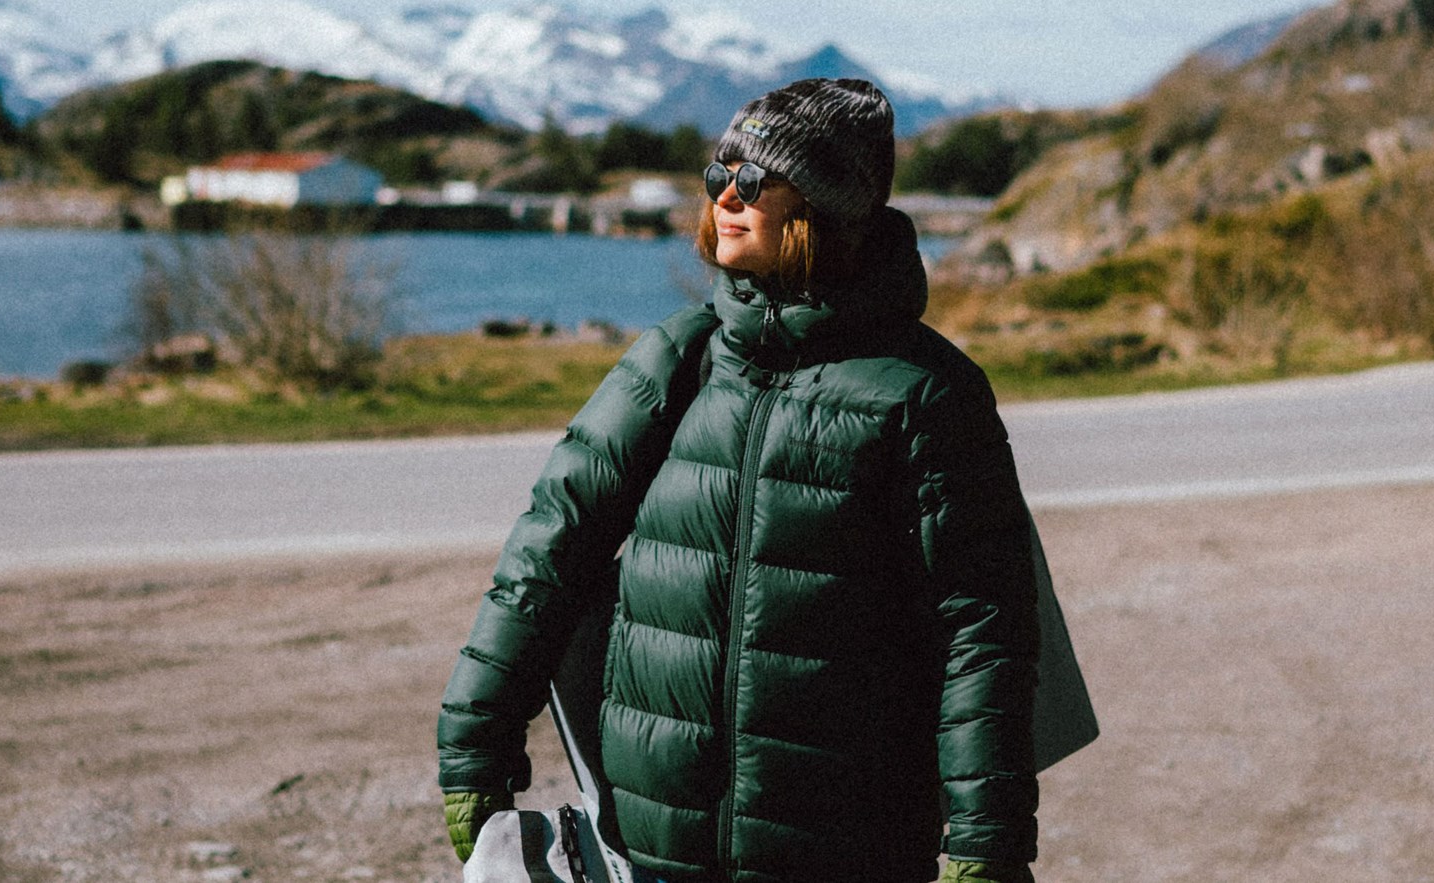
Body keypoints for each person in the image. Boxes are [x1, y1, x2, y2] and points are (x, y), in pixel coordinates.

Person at [439, 78, 1040, 883]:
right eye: (718, 172)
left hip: (847, 850)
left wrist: (984, 846)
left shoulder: (923, 392)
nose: (726, 194)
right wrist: (474, 744)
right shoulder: (678, 360)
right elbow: (548, 552)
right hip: (654, 843)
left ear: (825, 207)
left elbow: (984, 636)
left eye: (754, 179)